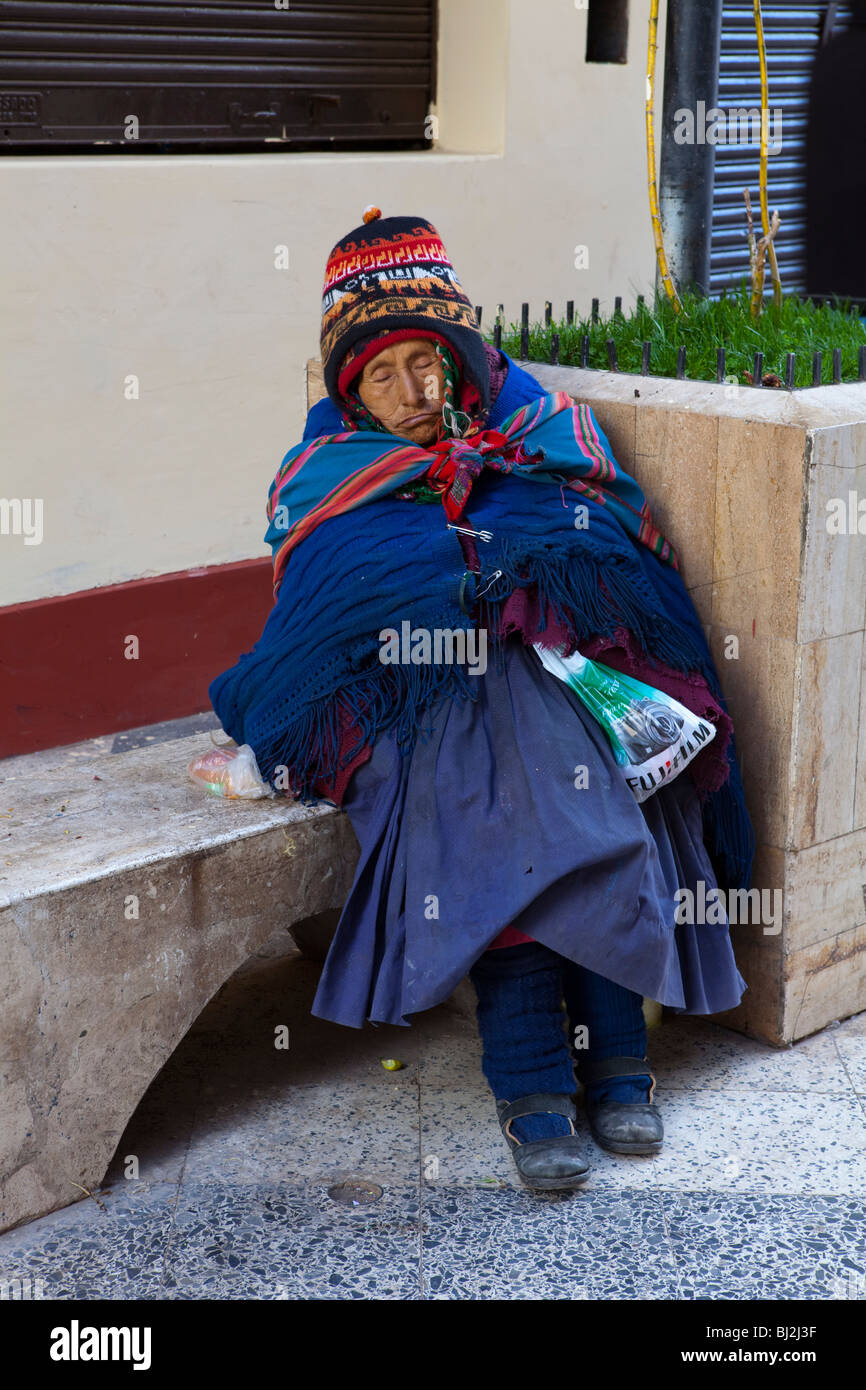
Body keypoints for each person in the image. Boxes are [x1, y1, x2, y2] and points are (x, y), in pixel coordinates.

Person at [210, 209, 754, 1191]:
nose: (412, 390)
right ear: (351, 390)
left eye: (427, 361)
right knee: (488, 794)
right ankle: (542, 1073)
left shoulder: (540, 431)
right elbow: (324, 624)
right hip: (408, 707)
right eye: (381, 374)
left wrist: (517, 589)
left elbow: (612, 561)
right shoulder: (324, 472)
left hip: (558, 678)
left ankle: (604, 1061)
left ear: (461, 357)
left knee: (601, 783)